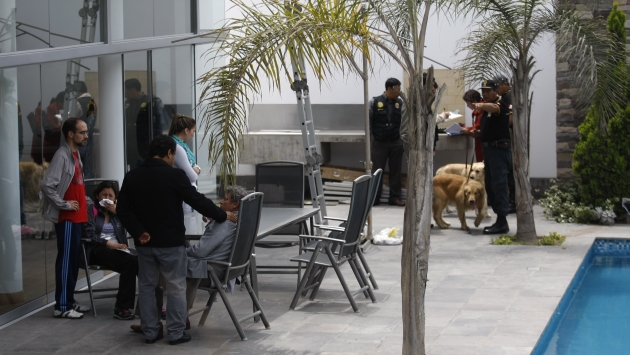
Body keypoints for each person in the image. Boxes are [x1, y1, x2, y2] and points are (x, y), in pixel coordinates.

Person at [116, 135, 237, 345]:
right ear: (170, 153)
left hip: (144, 243)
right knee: (175, 286)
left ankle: (151, 331)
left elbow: (122, 210)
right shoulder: (175, 176)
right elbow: (197, 200)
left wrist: (139, 231)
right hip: (171, 243)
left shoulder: (132, 176)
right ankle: (175, 332)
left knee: (146, 286)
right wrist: (221, 214)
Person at [40, 118, 91, 319]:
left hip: (78, 217)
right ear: (70, 134)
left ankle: (69, 300)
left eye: (86, 132)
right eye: (82, 132)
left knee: (72, 262)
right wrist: (64, 205)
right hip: (67, 219)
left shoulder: (75, 154)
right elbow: (46, 185)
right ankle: (62, 306)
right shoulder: (62, 155)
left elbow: (76, 185)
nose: (86, 136)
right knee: (66, 261)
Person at [84, 181, 137, 320]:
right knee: (130, 262)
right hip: (97, 249)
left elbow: (132, 226)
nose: (107, 198)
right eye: (104, 195)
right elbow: (89, 235)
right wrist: (112, 244)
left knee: (145, 261)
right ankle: (122, 308)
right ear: (97, 196)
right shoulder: (91, 209)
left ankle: (151, 305)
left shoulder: (118, 212)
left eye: (110, 195)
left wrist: (119, 213)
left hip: (119, 251)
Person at [474, 80, 512, 234]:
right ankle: (499, 219)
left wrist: (481, 105)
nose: (485, 94)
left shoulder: (499, 104)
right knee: (490, 185)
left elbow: (495, 109)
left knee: (499, 185)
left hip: (499, 151)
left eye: (488, 91)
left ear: (496, 91)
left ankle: (502, 222)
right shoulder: (488, 107)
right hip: (490, 152)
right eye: (483, 91)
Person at [369, 78, 405, 206]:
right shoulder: (375, 102)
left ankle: (394, 197)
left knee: (396, 171)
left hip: (396, 142)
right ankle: (374, 198)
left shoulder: (400, 103)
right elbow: (369, 121)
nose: (399, 93)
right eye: (397, 90)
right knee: (377, 171)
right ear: (389, 89)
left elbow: (405, 123)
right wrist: (372, 139)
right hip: (380, 143)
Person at [169, 114, 202, 233]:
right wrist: (196, 169)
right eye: (193, 131)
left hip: (185, 193)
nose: (193, 134)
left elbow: (193, 167)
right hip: (183, 195)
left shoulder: (182, 146)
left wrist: (196, 168)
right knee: (187, 229)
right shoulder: (177, 148)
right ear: (186, 130)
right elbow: (192, 175)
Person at [124, 78, 166, 168]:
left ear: (133, 90)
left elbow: (160, 126)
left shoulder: (151, 102)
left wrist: (157, 145)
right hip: (132, 147)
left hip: (147, 145)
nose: (125, 95)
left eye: (126, 92)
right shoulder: (127, 104)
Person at [494, 75, 516, 213]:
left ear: (505, 84)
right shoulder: (504, 97)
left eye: (497, 86)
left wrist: (499, 129)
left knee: (512, 171)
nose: (496, 90)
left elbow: (511, 118)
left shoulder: (509, 97)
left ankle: (514, 200)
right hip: (508, 136)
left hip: (512, 136)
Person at [76, 81, 97, 179]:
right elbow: (91, 121)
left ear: (78, 91)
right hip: (89, 136)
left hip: (78, 137)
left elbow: (72, 118)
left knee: (78, 162)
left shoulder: (78, 102)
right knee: (88, 163)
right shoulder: (92, 102)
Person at [461, 89, 485, 162]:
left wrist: (468, 130)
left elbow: (479, 124)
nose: (467, 106)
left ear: (474, 101)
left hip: (483, 141)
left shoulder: (482, 108)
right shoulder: (476, 110)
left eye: (468, 103)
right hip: (479, 140)